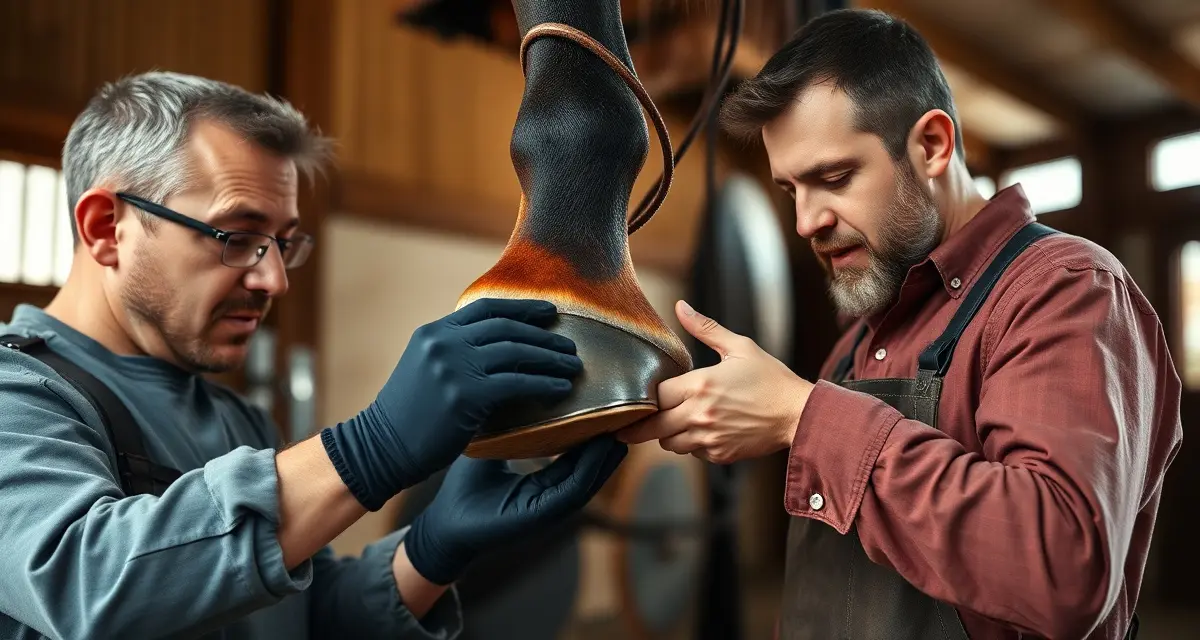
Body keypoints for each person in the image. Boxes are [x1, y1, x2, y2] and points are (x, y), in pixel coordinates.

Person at [0, 71, 628, 639]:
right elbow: (83, 585)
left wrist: (432, 552)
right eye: (240, 237)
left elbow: (307, 621)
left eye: (284, 243)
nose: (274, 280)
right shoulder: (17, 394)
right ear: (107, 228)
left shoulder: (234, 419)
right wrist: (370, 449)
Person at [617, 8, 1182, 640]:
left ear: (933, 146)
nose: (806, 222)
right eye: (790, 190)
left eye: (833, 178)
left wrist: (804, 417)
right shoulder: (857, 345)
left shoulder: (1064, 291)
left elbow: (1064, 571)